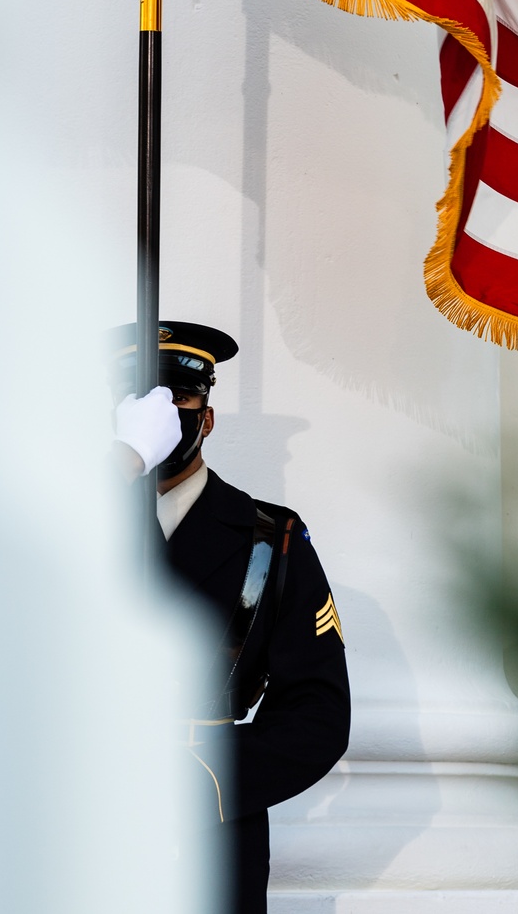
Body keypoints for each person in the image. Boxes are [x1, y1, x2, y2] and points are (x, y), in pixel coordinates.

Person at [109, 320, 351, 914]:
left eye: (180, 398)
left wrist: (205, 783)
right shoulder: (63, 522)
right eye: (143, 403)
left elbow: (316, 712)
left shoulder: (270, 538)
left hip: (209, 834)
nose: (165, 415)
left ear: (207, 418)